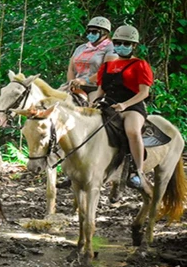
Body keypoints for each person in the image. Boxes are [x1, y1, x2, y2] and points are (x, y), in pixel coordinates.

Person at [95, 25, 154, 196]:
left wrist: (125, 105)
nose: (122, 46)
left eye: (126, 43)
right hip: (108, 105)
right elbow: (100, 90)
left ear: (133, 46)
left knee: (132, 131)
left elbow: (144, 92)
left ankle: (138, 171)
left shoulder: (140, 65)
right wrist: (92, 103)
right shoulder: (107, 65)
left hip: (132, 106)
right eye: (118, 43)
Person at [66, 16, 117, 103]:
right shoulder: (81, 48)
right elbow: (71, 69)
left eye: (94, 32)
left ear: (104, 33)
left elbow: (107, 70)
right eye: (88, 31)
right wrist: (71, 83)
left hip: (96, 87)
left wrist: (86, 81)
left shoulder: (111, 48)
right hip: (77, 85)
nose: (90, 34)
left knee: (93, 108)